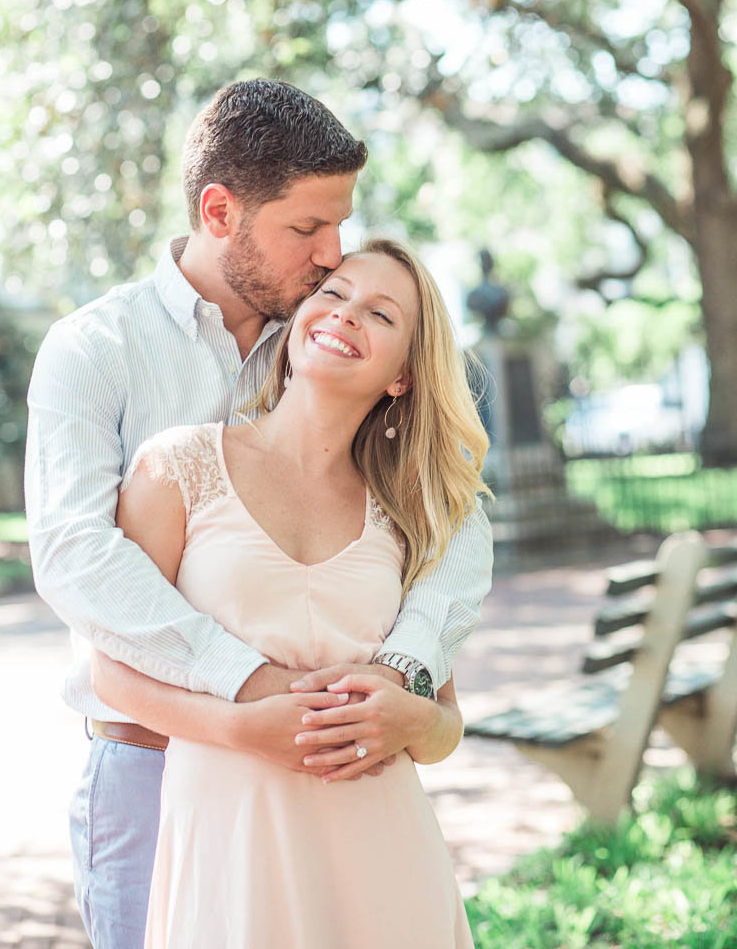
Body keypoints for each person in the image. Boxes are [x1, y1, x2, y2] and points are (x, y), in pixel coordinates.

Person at [24, 79, 493, 949]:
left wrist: (405, 675)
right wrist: (245, 684)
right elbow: (76, 558)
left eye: (340, 227)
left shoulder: (319, 331)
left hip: (343, 787)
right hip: (150, 763)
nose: (330, 256)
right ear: (219, 212)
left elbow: (453, 519)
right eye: (308, 230)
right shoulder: (98, 348)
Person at [94, 239, 490, 947]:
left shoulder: (408, 514)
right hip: (230, 847)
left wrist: (410, 723)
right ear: (299, 316)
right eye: (332, 294)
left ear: (401, 375)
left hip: (385, 854)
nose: (344, 315)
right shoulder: (177, 468)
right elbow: (112, 674)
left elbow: (447, 720)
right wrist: (239, 728)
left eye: (380, 313)